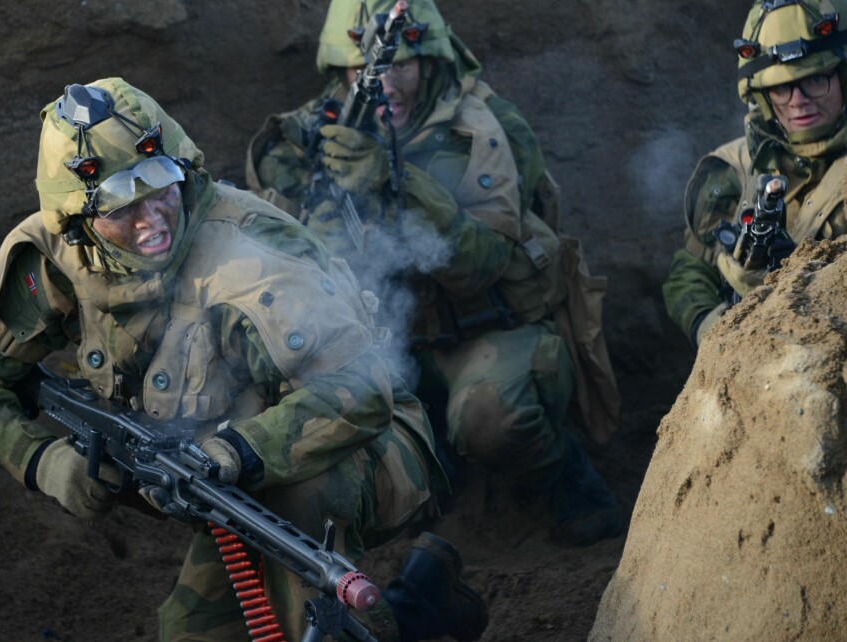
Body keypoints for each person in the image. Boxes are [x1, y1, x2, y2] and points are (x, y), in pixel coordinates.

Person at [0, 77, 489, 642]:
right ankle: (421, 606)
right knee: (190, 633)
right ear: (76, 220)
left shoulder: (251, 255)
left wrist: (230, 453)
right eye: (122, 206)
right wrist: (42, 461)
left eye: (160, 184)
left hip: (364, 445)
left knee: (302, 547)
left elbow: (360, 395)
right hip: (219, 474)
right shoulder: (51, 255)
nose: (151, 220)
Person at [245, 0, 623, 546]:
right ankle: (434, 467)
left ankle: (566, 479)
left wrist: (400, 185)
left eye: (402, 65)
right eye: (368, 72)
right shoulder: (306, 137)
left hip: (484, 327)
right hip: (388, 344)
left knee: (490, 421)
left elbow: (485, 264)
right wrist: (317, 228)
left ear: (429, 60)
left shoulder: (480, 130)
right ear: (342, 72)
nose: (387, 87)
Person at [664, 0, 847, 347]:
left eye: (815, 79)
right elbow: (688, 273)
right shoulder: (731, 171)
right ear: (761, 95)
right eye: (781, 88)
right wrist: (713, 327)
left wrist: (799, 277)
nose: (798, 100)